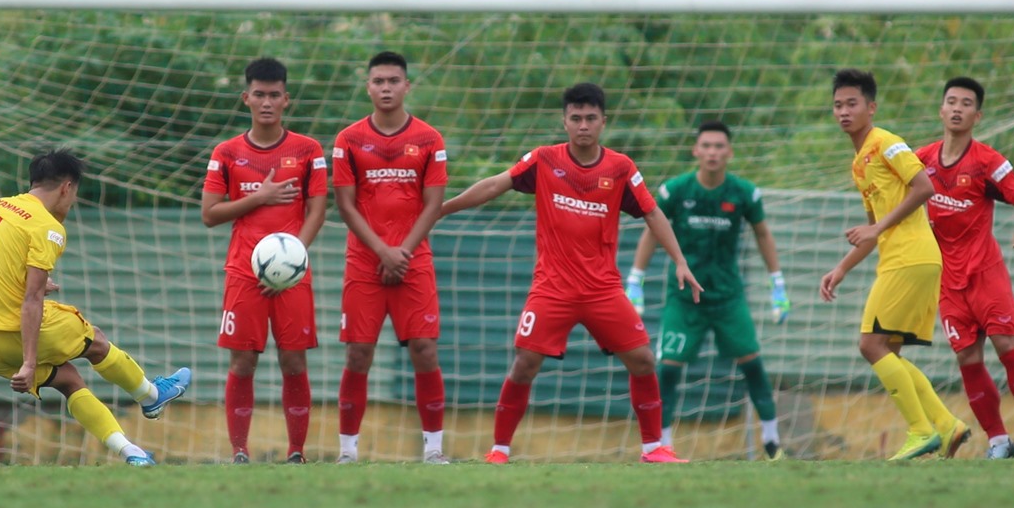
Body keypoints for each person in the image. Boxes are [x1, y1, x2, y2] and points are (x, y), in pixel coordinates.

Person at [441, 82, 703, 464]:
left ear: (603, 122)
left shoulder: (620, 168)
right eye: (576, 118)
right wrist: (442, 209)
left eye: (591, 118)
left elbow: (651, 212)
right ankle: (499, 450)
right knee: (524, 364)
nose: (583, 125)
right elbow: (498, 183)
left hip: (602, 290)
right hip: (553, 288)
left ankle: (652, 449)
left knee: (644, 360)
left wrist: (680, 260)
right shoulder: (545, 160)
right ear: (564, 122)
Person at [0, 149, 190, 466]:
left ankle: (132, 453)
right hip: (15, 330)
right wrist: (29, 363)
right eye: (74, 195)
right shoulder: (48, 227)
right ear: (66, 187)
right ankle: (151, 396)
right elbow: (31, 299)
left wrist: (36, 284)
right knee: (95, 340)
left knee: (70, 380)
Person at [818, 69, 970, 461]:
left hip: (912, 256)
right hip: (900, 259)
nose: (843, 112)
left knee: (870, 344)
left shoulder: (888, 142)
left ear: (871, 107)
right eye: (838, 105)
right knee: (889, 352)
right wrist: (842, 269)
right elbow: (873, 229)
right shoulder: (858, 163)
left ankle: (920, 431)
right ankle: (946, 424)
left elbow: (925, 187)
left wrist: (879, 228)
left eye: (852, 104)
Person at [627, 121, 791, 459]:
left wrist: (778, 283)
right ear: (696, 151)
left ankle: (773, 442)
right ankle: (662, 444)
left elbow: (763, 234)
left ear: (729, 152)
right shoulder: (676, 191)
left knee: (752, 364)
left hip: (728, 297)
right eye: (707, 146)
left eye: (719, 146)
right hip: (685, 300)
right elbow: (651, 231)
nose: (713, 152)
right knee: (667, 369)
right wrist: (635, 280)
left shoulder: (744, 193)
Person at [202, 57, 329, 464]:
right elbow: (210, 214)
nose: (267, 101)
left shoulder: (308, 150)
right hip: (243, 272)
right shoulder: (226, 152)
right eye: (259, 94)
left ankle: (296, 452)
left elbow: (317, 211)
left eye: (275, 94)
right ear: (246, 98)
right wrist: (260, 197)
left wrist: (293, 261)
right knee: (243, 360)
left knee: (294, 359)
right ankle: (240, 451)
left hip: (292, 275)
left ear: (286, 100)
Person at [919, 77, 1014, 459]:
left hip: (985, 272)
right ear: (941, 110)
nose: (957, 108)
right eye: (951, 101)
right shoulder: (921, 160)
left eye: (966, 103)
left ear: (976, 116)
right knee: (967, 358)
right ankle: (998, 440)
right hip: (948, 281)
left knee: (1005, 343)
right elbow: (898, 194)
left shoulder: (987, 161)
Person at [330, 51, 450, 464]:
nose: (385, 88)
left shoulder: (429, 139)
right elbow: (345, 205)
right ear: (368, 86)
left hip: (413, 260)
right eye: (378, 81)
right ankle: (348, 452)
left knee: (425, 350)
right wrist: (382, 250)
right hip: (364, 263)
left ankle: (434, 450)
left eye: (393, 81)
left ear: (406, 86)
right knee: (358, 354)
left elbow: (434, 203)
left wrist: (403, 252)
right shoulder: (347, 139)